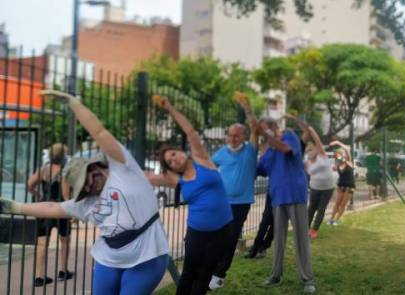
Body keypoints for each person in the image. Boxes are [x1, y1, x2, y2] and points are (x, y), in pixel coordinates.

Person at [0, 90, 170, 295]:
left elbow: (99, 132)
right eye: (82, 188)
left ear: (94, 168)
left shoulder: (123, 168)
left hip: (147, 255)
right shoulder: (85, 202)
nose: (88, 189)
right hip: (109, 258)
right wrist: (14, 206)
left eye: (86, 181)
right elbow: (53, 207)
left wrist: (74, 104)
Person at [146, 95, 233, 295]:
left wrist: (170, 108)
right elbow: (148, 176)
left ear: (180, 151)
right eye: (170, 161)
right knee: (189, 273)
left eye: (174, 154)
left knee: (205, 273)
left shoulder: (202, 159)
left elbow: (190, 131)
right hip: (197, 233)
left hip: (222, 231)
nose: (174, 160)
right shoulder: (177, 180)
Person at [256, 118, 315, 293]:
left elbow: (287, 150)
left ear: (274, 128)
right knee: (278, 240)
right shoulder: (268, 151)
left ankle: (307, 279)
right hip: (277, 198)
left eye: (266, 131)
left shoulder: (289, 137)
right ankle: (276, 275)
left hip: (295, 195)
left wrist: (267, 139)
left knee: (301, 239)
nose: (264, 135)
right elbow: (257, 169)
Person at [208, 92, 259, 290]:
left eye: (237, 135)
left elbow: (256, 128)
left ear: (244, 136)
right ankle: (210, 268)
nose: (233, 138)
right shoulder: (221, 152)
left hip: (241, 203)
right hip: (221, 202)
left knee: (230, 238)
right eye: (230, 135)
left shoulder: (250, 149)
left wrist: (248, 109)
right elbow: (208, 167)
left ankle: (219, 274)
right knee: (215, 236)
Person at [27, 143, 73, 287]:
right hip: (59, 209)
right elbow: (65, 195)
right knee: (64, 240)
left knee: (42, 243)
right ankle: (63, 271)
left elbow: (29, 185)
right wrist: (73, 210)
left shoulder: (43, 170)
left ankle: (39, 277)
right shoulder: (64, 172)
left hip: (43, 209)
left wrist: (39, 196)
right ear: (63, 156)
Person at [301, 123, 335, 239]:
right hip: (315, 187)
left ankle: (314, 230)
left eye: (311, 149)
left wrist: (310, 130)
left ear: (316, 149)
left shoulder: (322, 156)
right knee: (311, 208)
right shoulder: (306, 163)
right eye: (307, 150)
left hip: (328, 188)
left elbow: (317, 140)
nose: (309, 152)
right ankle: (305, 229)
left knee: (321, 208)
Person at [328, 140, 355, 226]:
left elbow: (347, 149)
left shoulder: (349, 162)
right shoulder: (338, 165)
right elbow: (333, 169)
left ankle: (337, 220)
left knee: (343, 204)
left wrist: (337, 142)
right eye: (339, 154)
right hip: (341, 185)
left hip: (350, 186)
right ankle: (331, 219)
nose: (341, 155)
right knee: (337, 203)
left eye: (341, 154)